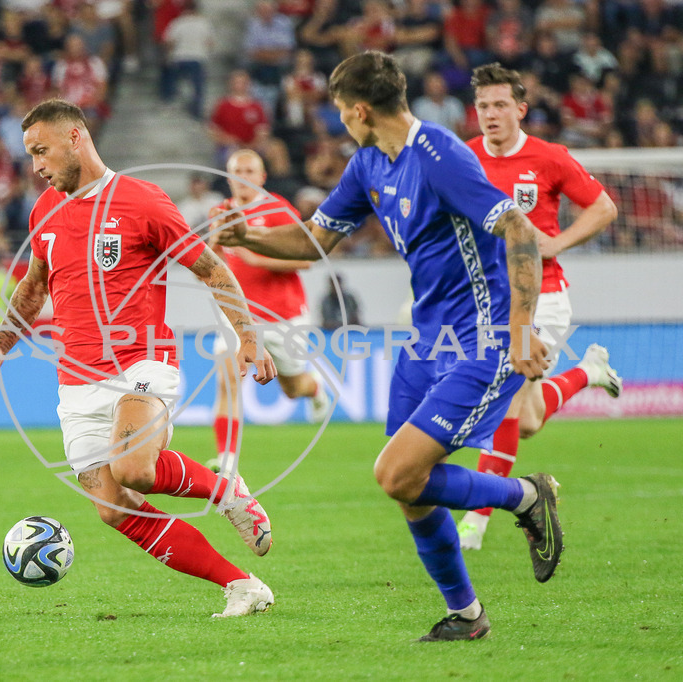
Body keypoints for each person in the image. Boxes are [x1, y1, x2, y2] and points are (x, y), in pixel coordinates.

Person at [214, 51, 561, 641]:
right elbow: (313, 240)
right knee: (409, 488)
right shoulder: (369, 164)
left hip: (484, 337)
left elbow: (521, 231)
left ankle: (525, 496)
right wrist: (248, 234)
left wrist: (524, 329)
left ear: (358, 110)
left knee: (396, 473)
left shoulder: (441, 156)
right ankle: (468, 613)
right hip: (426, 341)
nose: (339, 123)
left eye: (339, 113)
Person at [0, 99, 277, 617]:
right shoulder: (44, 210)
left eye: (41, 151)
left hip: (142, 363)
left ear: (75, 138)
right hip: (76, 379)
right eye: (30, 155)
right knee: (114, 506)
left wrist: (249, 337)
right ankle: (242, 585)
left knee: (133, 467)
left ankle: (224, 489)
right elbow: (33, 288)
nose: (37, 166)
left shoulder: (142, 202)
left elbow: (213, 270)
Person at [458, 63, 621, 551]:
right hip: (490, 303)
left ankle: (476, 521)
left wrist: (556, 244)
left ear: (521, 109)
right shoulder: (464, 159)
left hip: (545, 298)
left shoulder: (548, 157)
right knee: (524, 422)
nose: (490, 114)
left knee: (508, 395)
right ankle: (589, 372)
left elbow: (604, 207)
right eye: (483, 105)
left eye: (500, 104)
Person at [206, 149, 332, 473]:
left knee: (292, 389)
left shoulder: (278, 210)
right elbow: (209, 262)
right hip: (238, 315)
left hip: (282, 313)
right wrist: (213, 245)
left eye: (249, 171)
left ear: (262, 178)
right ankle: (227, 459)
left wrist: (256, 259)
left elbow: (306, 258)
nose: (242, 178)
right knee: (228, 377)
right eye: (236, 171)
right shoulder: (220, 212)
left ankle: (315, 388)